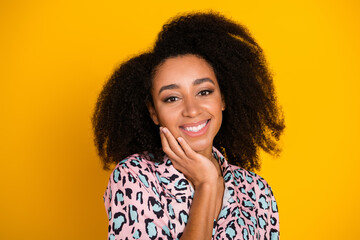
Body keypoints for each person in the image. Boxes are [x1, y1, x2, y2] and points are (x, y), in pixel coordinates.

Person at [92, 12, 285, 240]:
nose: (192, 110)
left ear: (223, 98)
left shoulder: (256, 191)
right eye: (172, 98)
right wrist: (205, 184)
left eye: (204, 92)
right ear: (153, 112)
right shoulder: (134, 177)